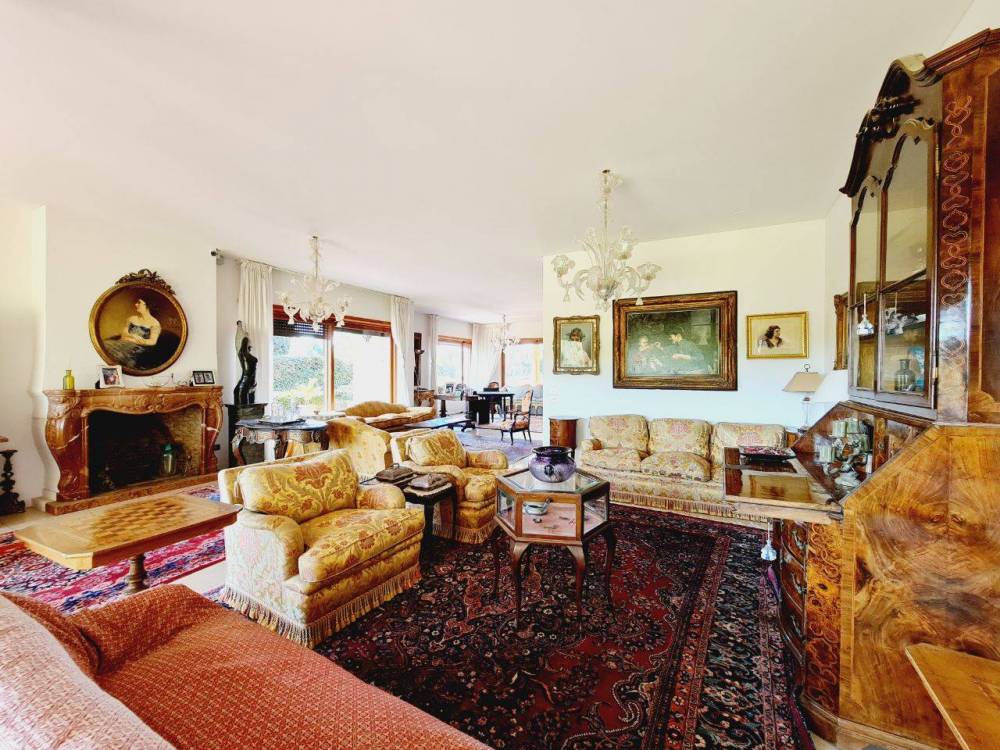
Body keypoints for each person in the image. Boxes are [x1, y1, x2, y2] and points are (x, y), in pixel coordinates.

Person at [103, 298, 165, 370]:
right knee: (104, 345)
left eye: (139, 303)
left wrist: (136, 340)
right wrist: (134, 336)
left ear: (147, 305)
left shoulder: (155, 323)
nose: (136, 304)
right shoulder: (132, 318)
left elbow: (152, 342)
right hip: (122, 343)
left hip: (136, 349)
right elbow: (124, 335)